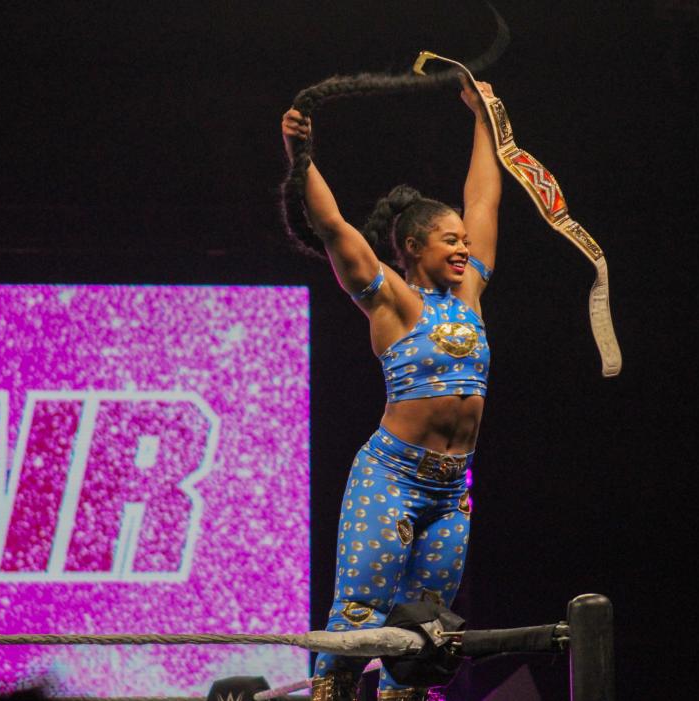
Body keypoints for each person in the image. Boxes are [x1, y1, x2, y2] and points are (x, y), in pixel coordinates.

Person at [281, 78, 501, 701]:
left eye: (463, 240)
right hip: (392, 481)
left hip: (451, 491)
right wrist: (301, 155)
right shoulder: (393, 302)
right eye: (449, 239)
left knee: (423, 640)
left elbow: (483, 201)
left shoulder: (470, 295)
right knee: (360, 618)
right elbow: (330, 224)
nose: (464, 246)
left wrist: (484, 119)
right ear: (412, 246)